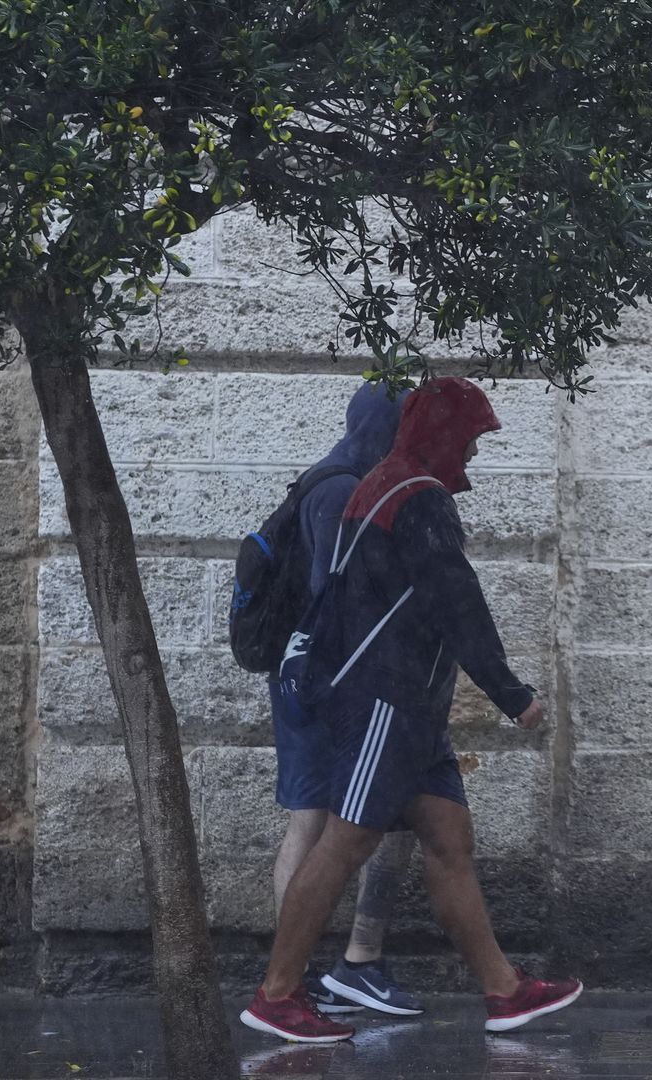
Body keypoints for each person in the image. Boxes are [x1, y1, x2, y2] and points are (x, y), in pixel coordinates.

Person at [241, 377, 581, 1043]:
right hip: (386, 704)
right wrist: (514, 696)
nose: (476, 454)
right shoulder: (416, 498)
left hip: (408, 708)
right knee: (347, 841)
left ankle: (504, 990)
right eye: (472, 439)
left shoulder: (387, 486)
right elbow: (458, 605)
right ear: (442, 436)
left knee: (449, 842)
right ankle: (277, 996)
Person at [268, 382, 423, 1017]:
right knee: (315, 818)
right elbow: (337, 595)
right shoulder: (339, 490)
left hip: (323, 674)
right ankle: (297, 978)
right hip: (324, 679)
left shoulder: (341, 479)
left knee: (371, 816)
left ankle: (333, 970)